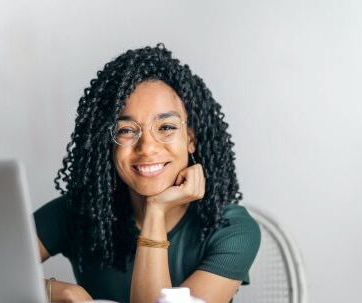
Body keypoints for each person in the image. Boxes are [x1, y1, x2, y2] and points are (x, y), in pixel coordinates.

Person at [34, 44, 261, 303]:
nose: (147, 148)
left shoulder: (232, 230)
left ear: (191, 138)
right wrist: (56, 291)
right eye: (126, 130)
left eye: (166, 127)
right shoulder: (77, 212)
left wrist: (155, 209)